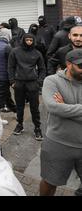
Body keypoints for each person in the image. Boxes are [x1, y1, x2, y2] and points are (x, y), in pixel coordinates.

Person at [40, 49, 82, 196]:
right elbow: (53, 107)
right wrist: (60, 108)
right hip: (58, 143)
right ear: (69, 64)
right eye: (80, 66)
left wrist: (65, 108)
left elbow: (60, 109)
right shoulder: (52, 81)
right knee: (49, 182)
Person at [8, 34, 46, 140]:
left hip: (32, 83)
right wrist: (12, 81)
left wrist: (39, 82)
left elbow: (42, 69)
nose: (29, 42)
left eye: (31, 40)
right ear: (23, 40)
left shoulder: (37, 53)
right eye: (27, 40)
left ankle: (37, 128)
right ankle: (19, 125)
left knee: (34, 107)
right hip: (19, 83)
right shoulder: (15, 52)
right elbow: (10, 67)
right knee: (19, 106)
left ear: (33, 41)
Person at [0, 28, 17, 115]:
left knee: (6, 94)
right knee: (0, 96)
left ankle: (15, 109)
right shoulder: (7, 47)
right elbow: (12, 64)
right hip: (4, 76)